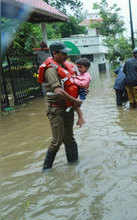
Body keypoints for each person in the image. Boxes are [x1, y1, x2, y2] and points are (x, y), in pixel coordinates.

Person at [37, 42, 82, 170]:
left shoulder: (65, 67)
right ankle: (46, 170)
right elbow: (58, 91)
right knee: (57, 141)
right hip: (56, 108)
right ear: (55, 53)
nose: (66, 55)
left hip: (67, 107)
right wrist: (75, 100)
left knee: (69, 139)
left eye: (66, 53)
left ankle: (74, 166)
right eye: (63, 53)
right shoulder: (51, 70)